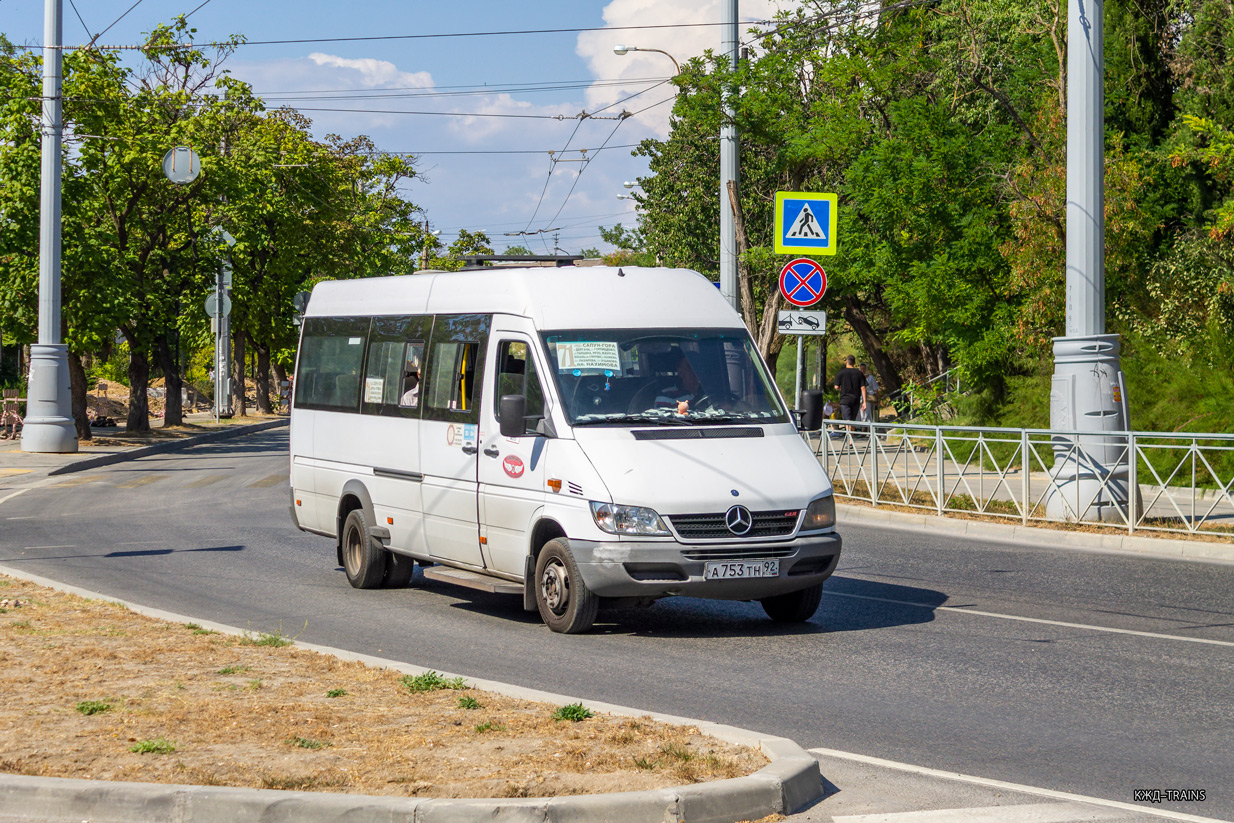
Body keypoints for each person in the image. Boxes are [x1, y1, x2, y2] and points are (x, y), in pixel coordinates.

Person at [832, 354, 866, 431]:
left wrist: (843, 388)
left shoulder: (841, 373)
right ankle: (851, 437)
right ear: (854, 362)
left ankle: (849, 437)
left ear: (846, 362)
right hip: (855, 399)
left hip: (845, 399)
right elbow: (863, 387)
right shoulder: (859, 373)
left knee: (847, 420)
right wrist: (864, 402)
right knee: (853, 420)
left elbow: (836, 386)